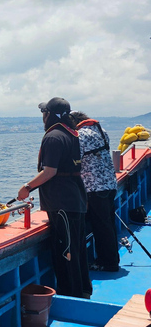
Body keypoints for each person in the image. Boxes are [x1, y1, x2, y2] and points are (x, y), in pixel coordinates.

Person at [17, 97, 92, 298]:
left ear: (49, 115)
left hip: (62, 203)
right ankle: (84, 290)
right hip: (75, 199)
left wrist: (27, 187)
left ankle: (72, 296)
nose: (43, 117)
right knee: (77, 249)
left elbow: (49, 171)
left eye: (44, 113)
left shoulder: (53, 137)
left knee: (66, 251)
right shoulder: (72, 134)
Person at [72, 111, 120, 272]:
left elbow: (75, 162)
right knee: (108, 224)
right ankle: (112, 259)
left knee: (100, 226)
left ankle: (107, 263)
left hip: (94, 187)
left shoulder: (79, 136)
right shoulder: (102, 131)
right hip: (110, 184)